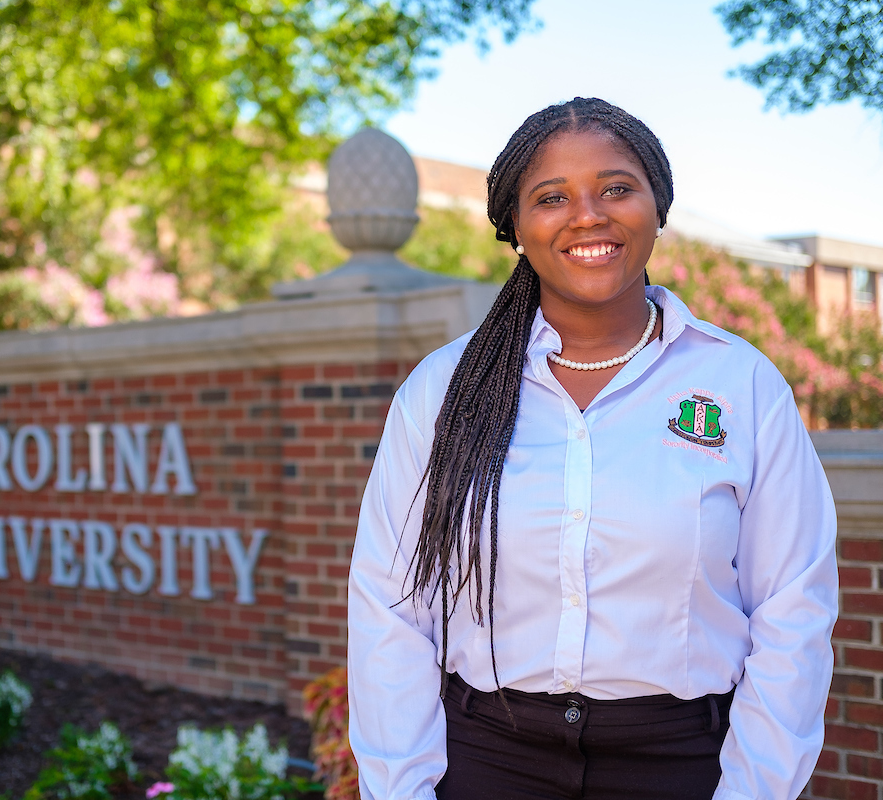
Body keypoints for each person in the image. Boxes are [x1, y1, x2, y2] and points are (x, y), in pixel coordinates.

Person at [346, 97, 838, 800]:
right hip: (487, 760)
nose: (589, 215)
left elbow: (794, 608)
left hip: (681, 763)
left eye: (616, 188)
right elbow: (391, 608)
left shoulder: (741, 385)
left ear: (656, 205)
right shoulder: (443, 390)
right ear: (515, 225)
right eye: (552, 197)